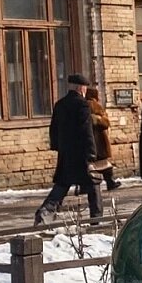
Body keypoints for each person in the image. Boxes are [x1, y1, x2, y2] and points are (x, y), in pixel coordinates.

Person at [34, 74, 101, 226]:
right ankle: (97, 218)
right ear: (80, 88)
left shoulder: (60, 104)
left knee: (62, 184)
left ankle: (45, 211)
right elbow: (86, 131)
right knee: (94, 183)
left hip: (66, 153)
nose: (85, 90)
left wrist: (58, 146)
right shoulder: (82, 105)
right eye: (84, 88)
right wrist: (91, 153)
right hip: (81, 154)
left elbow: (54, 129)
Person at [85, 87, 121, 191]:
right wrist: (97, 119)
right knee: (104, 164)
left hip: (89, 140)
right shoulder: (95, 105)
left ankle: (85, 186)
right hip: (99, 139)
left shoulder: (82, 105)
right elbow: (106, 123)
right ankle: (110, 182)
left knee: (91, 164)